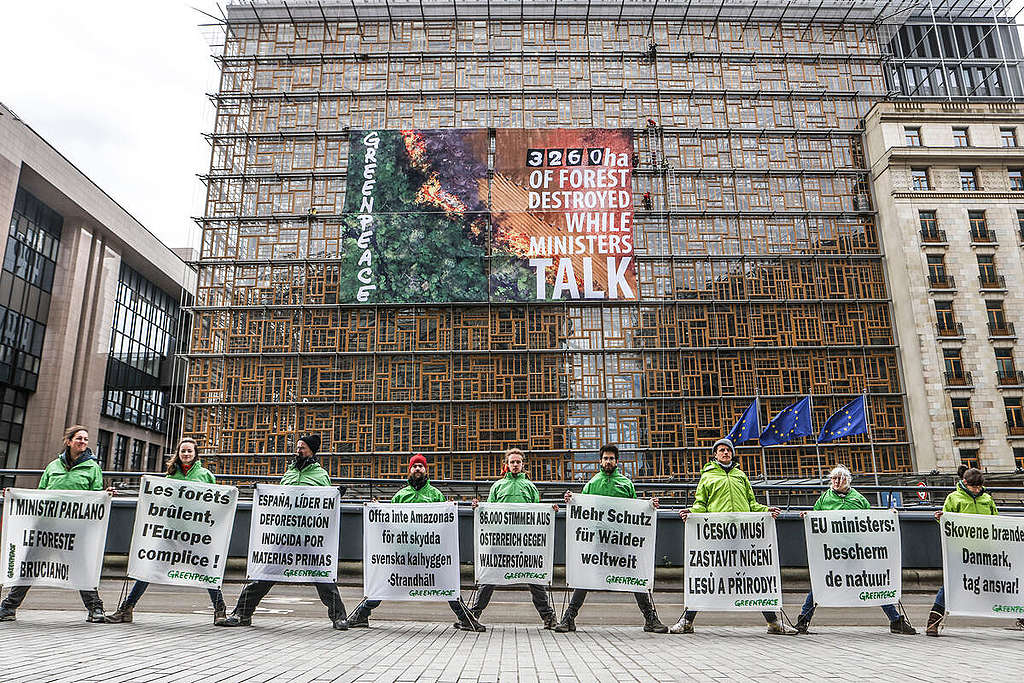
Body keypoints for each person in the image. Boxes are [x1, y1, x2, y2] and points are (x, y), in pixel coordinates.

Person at [218, 434, 349, 630]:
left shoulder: (321, 476)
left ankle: (339, 617)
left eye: (302, 447)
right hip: (284, 532)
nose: (298, 451)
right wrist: (262, 492)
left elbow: (325, 504)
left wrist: (336, 494)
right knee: (265, 572)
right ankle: (242, 613)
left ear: (312, 451)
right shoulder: (288, 473)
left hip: (308, 535)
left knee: (322, 575)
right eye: (297, 447)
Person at [347, 453, 485, 632]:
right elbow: (391, 521)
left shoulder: (435, 494)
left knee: (446, 582)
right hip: (405, 551)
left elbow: (444, 524)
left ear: (425, 470)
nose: (418, 469)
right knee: (385, 580)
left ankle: (465, 618)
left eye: (421, 466)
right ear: (410, 470)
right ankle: (362, 615)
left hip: (429, 553)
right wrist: (378, 508)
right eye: (415, 466)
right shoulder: (401, 495)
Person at [671, 437, 794, 635]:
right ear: (715, 455)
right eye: (721, 450)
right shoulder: (707, 477)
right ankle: (687, 621)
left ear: (732, 454)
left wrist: (765, 510)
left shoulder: (740, 476)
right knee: (708, 576)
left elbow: (751, 503)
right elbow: (701, 503)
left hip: (743, 535)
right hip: (718, 535)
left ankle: (773, 622)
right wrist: (692, 513)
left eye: (728, 450)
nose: (725, 452)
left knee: (754, 576)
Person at [107, 438, 227, 624]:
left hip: (196, 534)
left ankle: (220, 610)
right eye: (183, 451)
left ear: (196, 454)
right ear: (178, 454)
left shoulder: (205, 475)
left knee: (207, 570)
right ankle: (127, 608)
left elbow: (215, 501)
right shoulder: (170, 477)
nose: (186, 454)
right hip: (171, 532)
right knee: (148, 568)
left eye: (189, 451)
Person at [0, 425, 111, 623]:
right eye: (79, 438)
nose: (83, 442)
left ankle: (95, 608)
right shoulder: (53, 466)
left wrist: (107, 495)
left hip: (74, 529)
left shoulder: (93, 468)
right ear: (69, 442)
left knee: (82, 567)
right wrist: (14, 498)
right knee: (30, 566)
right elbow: (40, 493)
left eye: (86, 439)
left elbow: (96, 497)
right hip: (47, 526)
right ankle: (8, 608)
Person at [553, 444, 668, 634]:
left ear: (616, 461)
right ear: (600, 461)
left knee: (634, 576)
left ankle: (650, 619)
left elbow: (636, 510)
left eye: (611, 458)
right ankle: (569, 618)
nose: (608, 461)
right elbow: (582, 511)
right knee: (584, 578)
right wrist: (571, 500)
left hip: (621, 539)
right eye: (605, 458)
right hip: (599, 539)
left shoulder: (626, 483)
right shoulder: (592, 483)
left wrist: (649, 506)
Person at [793, 465, 915, 635]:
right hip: (833, 552)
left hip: (856, 550)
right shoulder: (824, 499)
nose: (835, 481)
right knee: (821, 584)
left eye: (840, 478)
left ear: (847, 480)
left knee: (873, 582)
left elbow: (869, 520)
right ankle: (803, 620)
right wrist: (807, 516)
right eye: (833, 478)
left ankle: (896, 621)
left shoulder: (858, 498)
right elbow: (816, 517)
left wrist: (888, 516)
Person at [465, 448, 559, 629]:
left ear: (523, 465)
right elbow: (489, 512)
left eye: (518, 462)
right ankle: (473, 615)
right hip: (501, 540)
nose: (515, 465)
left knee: (535, 579)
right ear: (506, 465)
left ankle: (548, 617)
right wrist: (479, 507)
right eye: (512, 462)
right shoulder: (497, 486)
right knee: (489, 576)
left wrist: (549, 511)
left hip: (525, 542)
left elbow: (536, 514)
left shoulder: (530, 487)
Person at [926, 465, 998, 636]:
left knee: (1001, 583)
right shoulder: (954, 498)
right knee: (951, 585)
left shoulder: (987, 499)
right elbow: (948, 522)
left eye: (979, 486)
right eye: (974, 486)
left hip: (983, 551)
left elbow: (995, 520)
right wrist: (940, 518)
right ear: (965, 483)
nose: (977, 490)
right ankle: (933, 622)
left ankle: (1019, 614)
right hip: (961, 551)